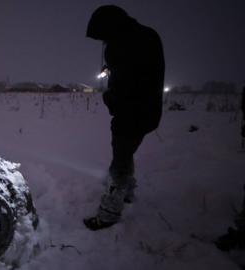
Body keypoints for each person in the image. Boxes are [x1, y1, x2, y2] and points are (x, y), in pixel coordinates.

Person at [84, 5, 165, 230]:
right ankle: (127, 192)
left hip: (130, 113)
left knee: (119, 161)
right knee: (126, 152)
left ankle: (109, 213)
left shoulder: (123, 45)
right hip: (148, 112)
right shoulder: (148, 36)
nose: (103, 43)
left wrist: (111, 98)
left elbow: (125, 85)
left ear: (110, 28)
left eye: (103, 37)